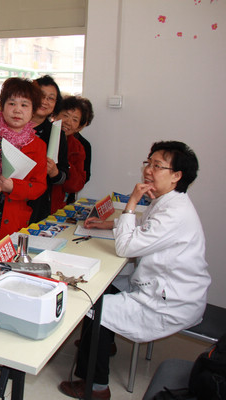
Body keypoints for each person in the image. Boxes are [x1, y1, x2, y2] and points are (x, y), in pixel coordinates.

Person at [59, 141, 211, 399]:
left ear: (176, 176)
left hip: (169, 301)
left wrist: (132, 201)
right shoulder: (169, 201)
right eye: (148, 163)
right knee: (103, 286)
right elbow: (144, 223)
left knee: (93, 306)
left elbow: (125, 247)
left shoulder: (174, 212)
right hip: (161, 285)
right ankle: (102, 344)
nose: (148, 170)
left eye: (157, 166)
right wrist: (109, 224)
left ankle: (95, 386)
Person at [0, 77, 47, 255]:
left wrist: (14, 186)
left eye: (24, 105)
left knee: (5, 262)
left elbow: (39, 186)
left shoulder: (37, 145)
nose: (17, 110)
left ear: (33, 111)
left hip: (13, 219)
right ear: (2, 105)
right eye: (11, 103)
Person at [27, 75, 69, 223]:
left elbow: (64, 176)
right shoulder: (11, 126)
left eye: (51, 98)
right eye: (41, 95)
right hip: (6, 198)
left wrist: (54, 172)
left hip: (38, 204)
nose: (45, 101)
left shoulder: (56, 134)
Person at [51, 96, 94, 213]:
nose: (68, 122)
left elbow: (76, 185)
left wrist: (64, 163)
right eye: (65, 115)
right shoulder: (41, 135)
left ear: (79, 127)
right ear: (55, 115)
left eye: (75, 120)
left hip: (56, 206)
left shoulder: (78, 148)